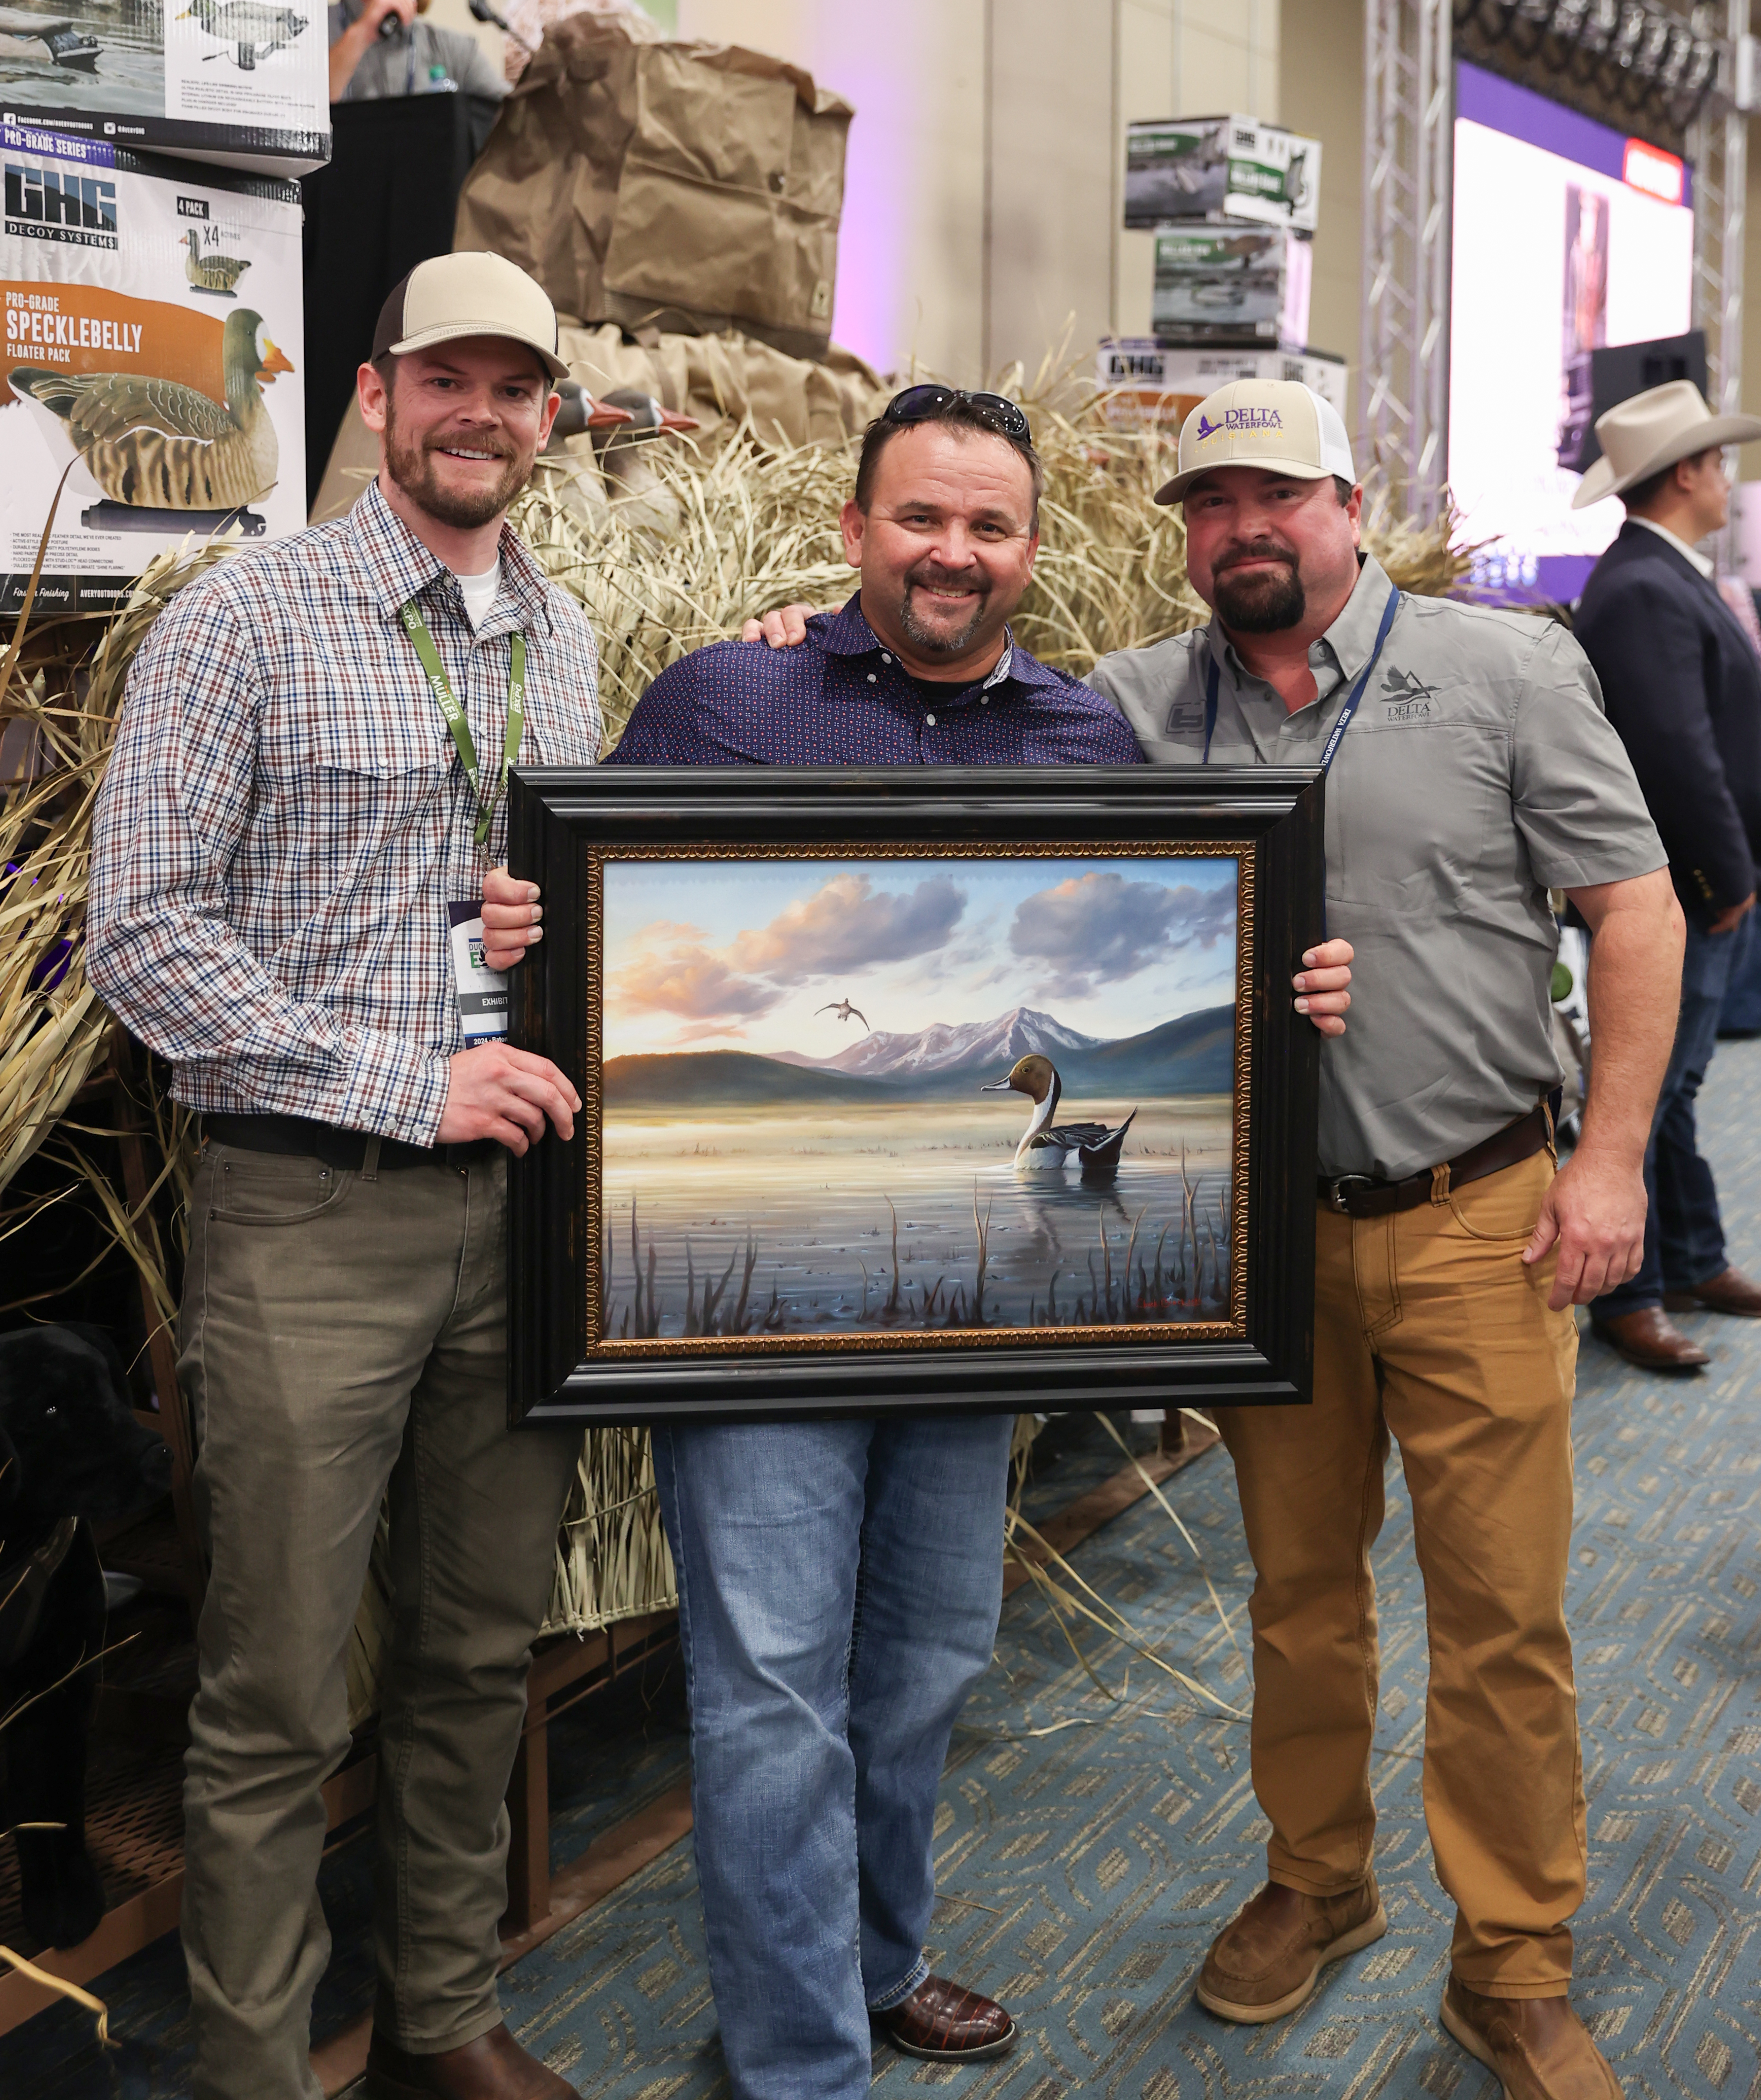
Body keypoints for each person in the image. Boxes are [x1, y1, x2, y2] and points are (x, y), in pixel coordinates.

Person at [743, 378, 1682, 2100]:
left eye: (1276, 494)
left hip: (1476, 1215)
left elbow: (1632, 909)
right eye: (1209, 504)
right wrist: (804, 646)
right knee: (1298, 1598)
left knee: (1499, 1616)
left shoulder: (1502, 671)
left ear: (1346, 502)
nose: (1243, 528)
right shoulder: (1125, 707)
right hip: (1260, 1246)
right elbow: (965, 727)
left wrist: (1611, 1160)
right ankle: (1316, 1881)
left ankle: (1512, 1962)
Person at [480, 383, 1353, 2100]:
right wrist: (528, 920)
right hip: (742, 1326)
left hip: (977, 1316)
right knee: (771, 1682)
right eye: (920, 517)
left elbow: (1174, 925)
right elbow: (591, 925)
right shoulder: (724, 696)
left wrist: (1283, 980)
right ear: (854, 529)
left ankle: (877, 1959)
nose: (953, 552)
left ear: (1030, 546)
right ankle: (799, 2059)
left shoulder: (1081, 739)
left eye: (987, 525)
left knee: (930, 1655)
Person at [87, 253, 596, 2100]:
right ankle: (253, 2069)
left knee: (476, 1649)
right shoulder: (246, 616)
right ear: (377, 394)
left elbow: (551, 893)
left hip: (513, 1217)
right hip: (309, 1211)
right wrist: (407, 1081)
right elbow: (142, 934)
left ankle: (440, 2018)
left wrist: (548, 939)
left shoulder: (565, 638)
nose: (481, 414)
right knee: (281, 1689)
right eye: (446, 378)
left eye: (514, 387)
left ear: (550, 419)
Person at [1569, 380, 1761, 1372]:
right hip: (1679, 888)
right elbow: (1675, 754)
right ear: (1684, 472)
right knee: (1642, 1092)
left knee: (1674, 1087)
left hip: (1696, 882)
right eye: (1718, 462)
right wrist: (1726, 878)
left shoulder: (1656, 575)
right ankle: (1627, 1293)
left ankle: (1689, 1257)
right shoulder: (1645, 586)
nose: (1729, 478)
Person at [329, 0, 509, 103]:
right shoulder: (317, 27)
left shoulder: (452, 48)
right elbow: (313, 112)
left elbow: (514, 117)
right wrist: (362, 33)